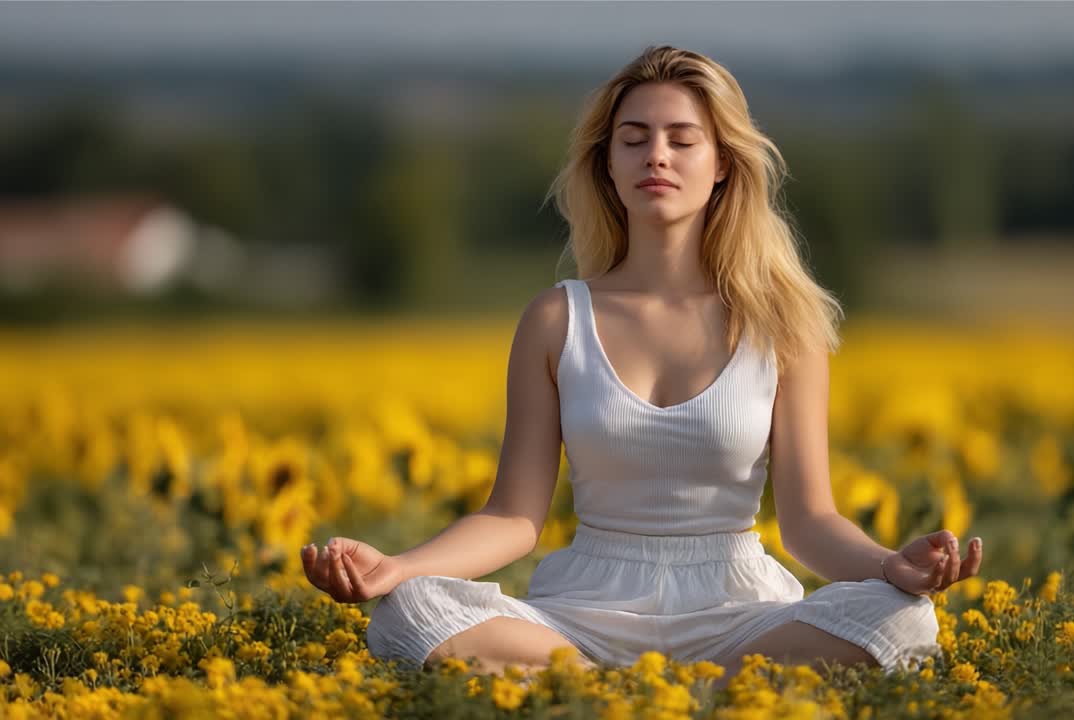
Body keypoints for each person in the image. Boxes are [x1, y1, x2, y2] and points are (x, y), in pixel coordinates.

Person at [300, 45, 982, 685]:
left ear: (722, 163)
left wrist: (890, 566)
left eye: (682, 139)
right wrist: (397, 568)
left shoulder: (782, 325)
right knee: (409, 612)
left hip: (738, 619)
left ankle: (615, 696)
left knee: (904, 617)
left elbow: (809, 522)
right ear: (608, 165)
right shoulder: (556, 319)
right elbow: (513, 517)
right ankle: (662, 693)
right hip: (580, 618)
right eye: (634, 139)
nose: (657, 155)